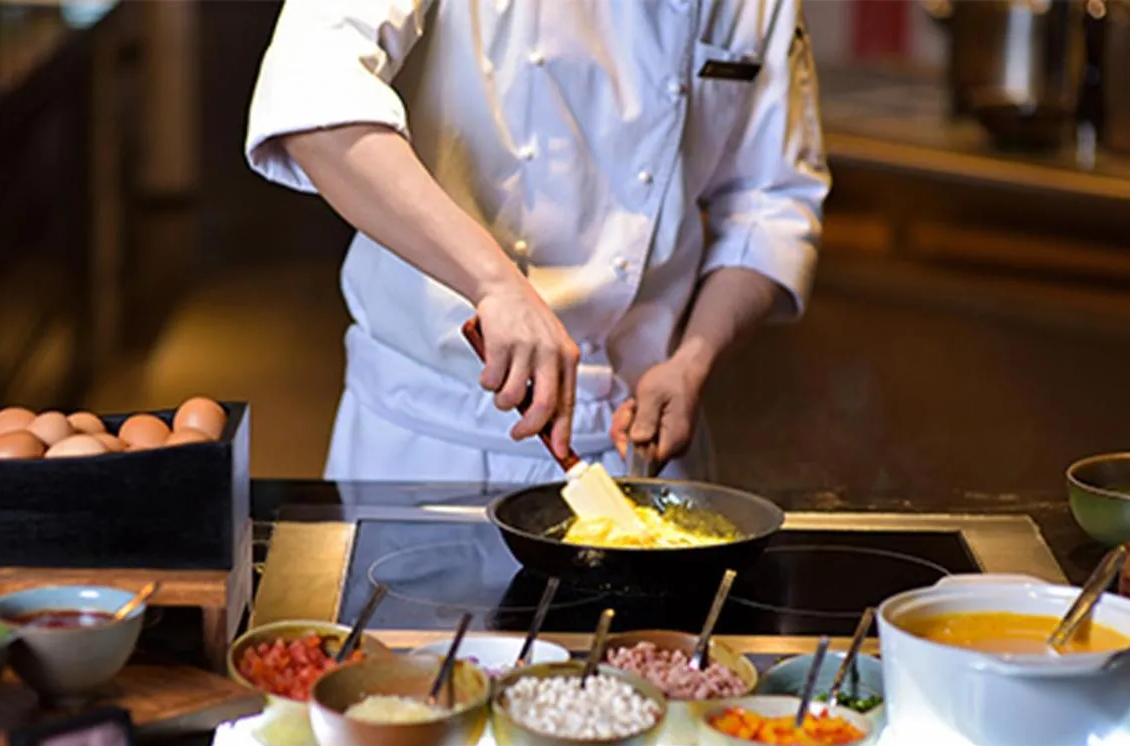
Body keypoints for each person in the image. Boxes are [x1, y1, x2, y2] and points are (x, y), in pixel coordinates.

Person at [246, 0, 829, 484]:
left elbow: (770, 200)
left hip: (639, 447)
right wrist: (495, 284)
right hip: (428, 442)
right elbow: (311, 104)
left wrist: (693, 359)